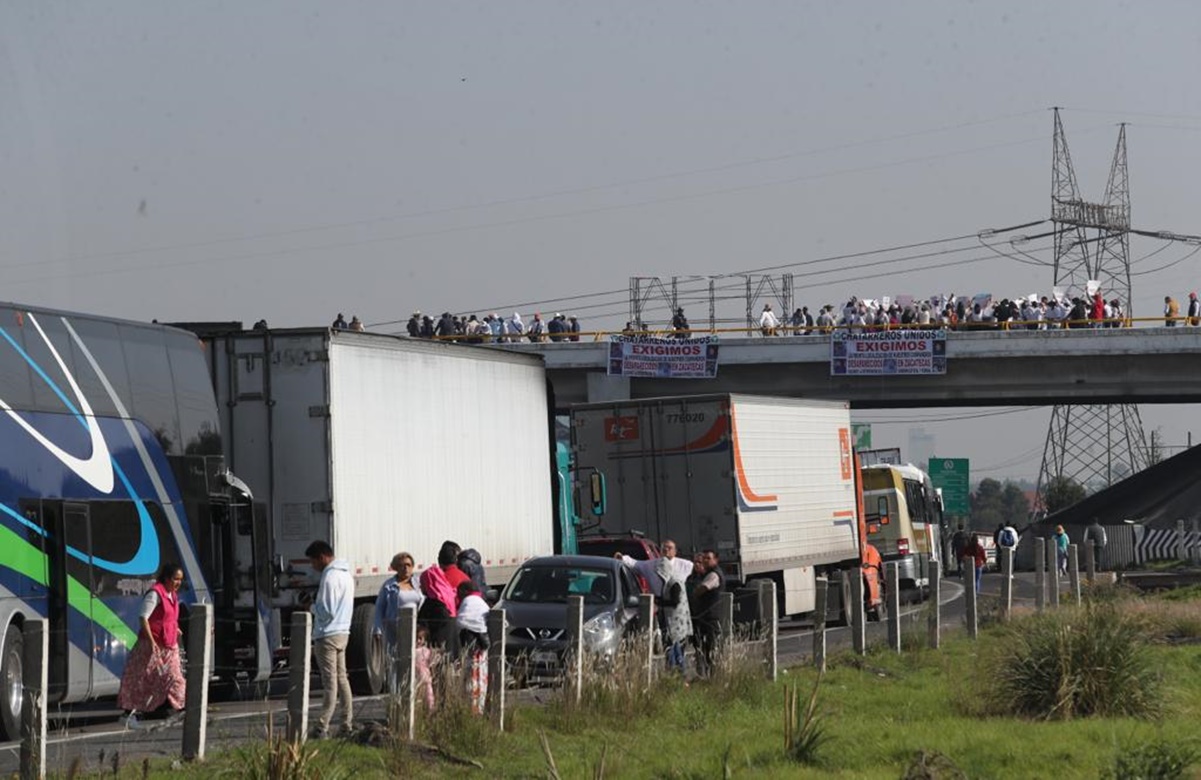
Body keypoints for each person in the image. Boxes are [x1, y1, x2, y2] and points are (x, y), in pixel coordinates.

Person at [118, 563, 187, 728]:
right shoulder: (155, 594)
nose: (178, 583)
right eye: (175, 579)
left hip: (170, 646)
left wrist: (174, 628)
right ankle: (128, 715)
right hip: (151, 646)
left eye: (180, 580)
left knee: (175, 677)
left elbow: (167, 617)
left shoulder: (173, 595)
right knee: (141, 680)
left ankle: (180, 710)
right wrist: (151, 641)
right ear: (166, 578)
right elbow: (143, 618)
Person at [306, 540, 354, 739]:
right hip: (343, 631)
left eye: (313, 561)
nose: (313, 566)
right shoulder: (346, 575)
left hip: (327, 634)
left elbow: (327, 611)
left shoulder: (329, 577)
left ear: (322, 557)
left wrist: (311, 607)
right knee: (342, 679)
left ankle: (322, 725)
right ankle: (346, 723)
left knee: (329, 682)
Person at [373, 552, 424, 693]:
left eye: (408, 565)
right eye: (401, 566)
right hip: (394, 631)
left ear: (413, 567)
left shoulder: (419, 584)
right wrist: (377, 629)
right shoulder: (389, 586)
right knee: (395, 664)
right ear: (395, 568)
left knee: (416, 664)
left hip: (416, 632)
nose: (405, 569)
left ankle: (414, 697)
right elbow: (379, 608)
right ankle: (396, 699)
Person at [455, 581, 490, 714]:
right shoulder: (480, 602)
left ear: (464, 592)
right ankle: (477, 708)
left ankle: (472, 709)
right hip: (481, 646)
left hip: (472, 646)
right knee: (479, 678)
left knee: (471, 679)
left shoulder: (469, 602)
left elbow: (463, 621)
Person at [653, 556, 692, 674]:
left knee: (675, 649)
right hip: (674, 621)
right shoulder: (670, 582)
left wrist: (659, 602)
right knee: (673, 648)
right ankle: (676, 672)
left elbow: (675, 601)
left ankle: (679, 673)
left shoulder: (674, 583)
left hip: (676, 622)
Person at [691, 549, 724, 678]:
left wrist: (695, 591)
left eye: (708, 558)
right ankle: (705, 676)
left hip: (711, 617)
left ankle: (714, 676)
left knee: (711, 648)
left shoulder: (714, 575)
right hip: (703, 617)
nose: (705, 560)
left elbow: (704, 588)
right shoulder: (703, 574)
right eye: (704, 558)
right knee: (702, 648)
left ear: (716, 560)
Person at [414, 625, 436, 711]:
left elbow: (431, 661)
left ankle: (430, 710)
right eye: (416, 638)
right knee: (417, 696)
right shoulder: (412, 651)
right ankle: (418, 711)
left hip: (426, 678)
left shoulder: (426, 651)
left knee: (429, 695)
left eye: (420, 638)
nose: (418, 641)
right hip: (416, 678)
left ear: (424, 640)